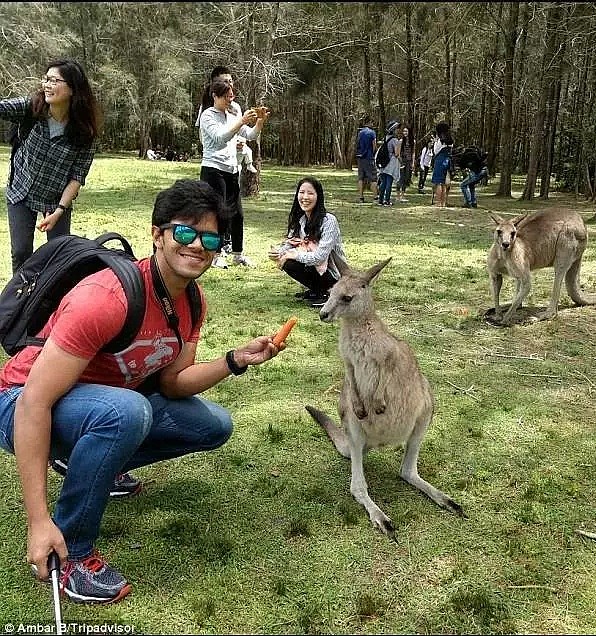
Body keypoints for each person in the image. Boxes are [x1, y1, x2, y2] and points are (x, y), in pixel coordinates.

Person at [0, 179, 282, 605]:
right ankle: (72, 555)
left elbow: (172, 383)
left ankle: (92, 464)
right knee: (128, 412)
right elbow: (35, 402)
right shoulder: (107, 297)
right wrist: (38, 521)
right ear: (157, 234)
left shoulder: (192, 302)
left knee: (212, 426)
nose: (197, 246)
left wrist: (233, 361)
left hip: (95, 404)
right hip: (19, 401)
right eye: (185, 232)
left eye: (210, 237)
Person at [0, 58, 100, 273]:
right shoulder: (31, 108)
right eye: (46, 79)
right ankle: (19, 302)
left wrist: (59, 210)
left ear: (73, 89)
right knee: (20, 252)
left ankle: (51, 299)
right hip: (22, 192)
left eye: (55, 81)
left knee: (59, 256)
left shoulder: (85, 130)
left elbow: (77, 176)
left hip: (56, 199)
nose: (47, 85)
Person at [198, 77, 269, 268]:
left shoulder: (231, 116)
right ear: (215, 96)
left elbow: (251, 135)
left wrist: (260, 121)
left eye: (232, 96)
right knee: (218, 214)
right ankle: (216, 254)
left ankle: (238, 254)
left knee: (237, 213)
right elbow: (220, 138)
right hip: (213, 170)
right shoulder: (207, 116)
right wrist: (241, 121)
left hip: (231, 170)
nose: (231, 100)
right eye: (227, 97)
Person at [268, 177, 346, 308]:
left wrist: (293, 255)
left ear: (318, 197)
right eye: (301, 192)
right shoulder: (301, 220)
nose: (305, 197)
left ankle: (328, 293)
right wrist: (278, 253)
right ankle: (317, 290)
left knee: (292, 259)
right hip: (315, 268)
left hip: (334, 275)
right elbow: (289, 243)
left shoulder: (328, 221)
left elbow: (320, 257)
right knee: (288, 263)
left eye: (310, 193)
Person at [376, 120, 401, 207]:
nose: (398, 130)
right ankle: (387, 201)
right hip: (390, 163)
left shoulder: (385, 138)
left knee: (383, 182)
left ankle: (380, 200)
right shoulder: (394, 140)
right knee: (388, 183)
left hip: (383, 163)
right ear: (393, 130)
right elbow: (397, 153)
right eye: (397, 128)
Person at [431, 121, 454, 208]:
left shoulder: (440, 141)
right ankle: (443, 202)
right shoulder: (450, 141)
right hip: (447, 161)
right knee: (444, 183)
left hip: (440, 161)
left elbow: (436, 151)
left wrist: (435, 142)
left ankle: (438, 202)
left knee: (438, 183)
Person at [355, 115, 377, 203]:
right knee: (373, 178)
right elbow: (374, 146)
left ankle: (361, 197)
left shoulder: (360, 132)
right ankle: (375, 197)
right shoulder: (372, 133)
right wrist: (373, 153)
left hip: (360, 158)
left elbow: (357, 144)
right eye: (372, 122)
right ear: (370, 122)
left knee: (361, 178)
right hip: (369, 158)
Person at [395, 125, 414, 203]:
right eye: (404, 131)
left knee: (406, 179)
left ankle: (403, 195)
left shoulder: (413, 141)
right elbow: (398, 154)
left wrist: (413, 163)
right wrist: (401, 162)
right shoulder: (400, 141)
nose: (405, 133)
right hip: (402, 162)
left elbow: (413, 152)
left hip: (409, 162)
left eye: (406, 131)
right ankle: (397, 196)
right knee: (400, 179)